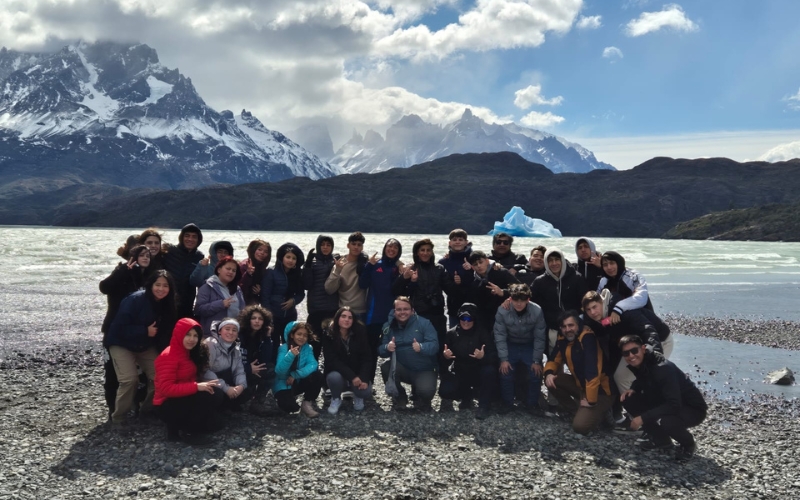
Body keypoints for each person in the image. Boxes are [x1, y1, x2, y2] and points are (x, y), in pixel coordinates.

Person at [618, 335, 707, 461]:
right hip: (666, 399)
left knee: (668, 422)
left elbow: (674, 404)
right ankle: (661, 440)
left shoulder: (663, 368)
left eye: (634, 351)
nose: (631, 356)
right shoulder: (644, 362)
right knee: (628, 398)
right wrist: (634, 388)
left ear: (643, 348)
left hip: (691, 408)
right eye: (626, 353)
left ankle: (688, 445)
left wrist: (642, 418)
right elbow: (643, 379)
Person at [106, 270, 177, 427]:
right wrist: (144, 330)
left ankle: (146, 410)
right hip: (121, 343)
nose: (161, 289)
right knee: (129, 380)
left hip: (145, 345)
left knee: (160, 377)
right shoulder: (135, 299)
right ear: (150, 285)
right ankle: (119, 418)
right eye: (157, 285)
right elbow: (117, 328)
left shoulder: (166, 303)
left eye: (165, 286)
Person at [99, 244, 151, 417]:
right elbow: (104, 287)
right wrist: (122, 272)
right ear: (133, 257)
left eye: (148, 256)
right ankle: (113, 409)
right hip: (114, 331)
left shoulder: (146, 278)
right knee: (113, 373)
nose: (145, 258)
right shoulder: (122, 272)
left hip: (136, 332)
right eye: (141, 255)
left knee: (138, 373)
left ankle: (135, 406)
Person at [153, 318, 224, 445]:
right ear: (179, 334)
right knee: (208, 396)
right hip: (166, 404)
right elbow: (166, 389)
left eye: (195, 336)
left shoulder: (188, 353)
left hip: (183, 397)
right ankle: (187, 432)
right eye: (188, 334)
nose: (192, 339)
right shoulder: (168, 356)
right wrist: (196, 387)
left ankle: (187, 424)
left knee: (217, 418)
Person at [544, 311, 613, 435]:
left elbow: (593, 372)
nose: (567, 329)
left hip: (601, 391)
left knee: (580, 427)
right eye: (564, 326)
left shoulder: (587, 338)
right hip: (581, 386)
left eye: (571, 325)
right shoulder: (562, 338)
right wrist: (548, 373)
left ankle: (601, 411)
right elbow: (554, 359)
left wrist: (591, 401)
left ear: (578, 325)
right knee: (552, 380)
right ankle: (576, 411)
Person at [392, 238, 449, 373]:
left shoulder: (439, 269)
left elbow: (451, 290)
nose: (425, 253)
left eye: (428, 250)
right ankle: (420, 377)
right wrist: (410, 281)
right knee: (419, 347)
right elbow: (399, 293)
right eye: (422, 250)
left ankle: (443, 375)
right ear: (417, 253)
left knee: (440, 345)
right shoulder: (411, 269)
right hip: (419, 315)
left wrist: (458, 281)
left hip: (437, 313)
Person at [378, 297, 439, 412]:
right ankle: (400, 396)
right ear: (394, 311)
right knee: (386, 367)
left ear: (412, 310)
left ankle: (423, 399)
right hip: (402, 368)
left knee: (426, 392)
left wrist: (421, 347)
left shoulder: (424, 323)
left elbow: (434, 346)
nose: (402, 312)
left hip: (424, 368)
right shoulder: (388, 326)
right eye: (399, 309)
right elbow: (381, 351)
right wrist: (387, 347)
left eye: (406, 309)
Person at [493, 284, 547, 414]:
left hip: (529, 344)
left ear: (528, 300)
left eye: (522, 300)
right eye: (516, 300)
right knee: (505, 371)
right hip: (510, 343)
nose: (519, 303)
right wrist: (504, 359)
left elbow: (540, 337)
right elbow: (499, 336)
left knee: (536, 371)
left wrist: (536, 360)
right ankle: (507, 403)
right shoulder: (502, 311)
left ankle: (532, 404)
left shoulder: (537, 311)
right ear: (510, 299)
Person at [439, 303, 498, 420]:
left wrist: (483, 357)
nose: (466, 321)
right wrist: (445, 357)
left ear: (474, 319)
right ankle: (466, 397)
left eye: (469, 318)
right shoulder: (451, 334)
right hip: (461, 370)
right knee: (445, 391)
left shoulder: (483, 333)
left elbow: (494, 357)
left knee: (489, 371)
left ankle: (483, 405)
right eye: (463, 318)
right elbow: (443, 365)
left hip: (479, 370)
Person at [358, 237, 403, 382]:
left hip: (393, 316)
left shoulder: (399, 268)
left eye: (395, 247)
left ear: (398, 251)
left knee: (395, 349)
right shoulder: (376, 264)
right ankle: (368, 381)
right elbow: (363, 284)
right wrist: (369, 266)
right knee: (370, 350)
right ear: (385, 248)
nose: (392, 249)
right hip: (373, 315)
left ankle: (394, 384)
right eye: (389, 246)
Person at [530, 247, 587, 354]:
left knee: (577, 360)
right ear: (546, 263)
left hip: (575, 328)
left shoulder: (576, 278)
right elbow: (528, 300)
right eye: (550, 260)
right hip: (553, 329)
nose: (554, 263)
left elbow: (585, 302)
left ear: (562, 260)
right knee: (554, 361)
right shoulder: (540, 282)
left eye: (557, 259)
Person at [321, 307, 372, 414]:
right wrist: (352, 377)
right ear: (337, 318)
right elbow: (332, 360)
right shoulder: (328, 334)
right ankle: (336, 398)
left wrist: (363, 377)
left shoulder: (360, 332)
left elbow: (366, 357)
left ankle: (358, 396)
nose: (346, 320)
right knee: (333, 377)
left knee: (365, 392)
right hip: (339, 373)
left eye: (350, 317)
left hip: (357, 372)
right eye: (343, 316)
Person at [261, 243, 306, 355]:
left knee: (290, 344)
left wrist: (293, 301)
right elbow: (265, 296)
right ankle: (272, 368)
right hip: (274, 315)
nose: (290, 260)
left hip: (290, 315)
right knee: (273, 343)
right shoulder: (271, 272)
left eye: (294, 258)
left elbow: (301, 294)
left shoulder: (297, 274)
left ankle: (288, 367)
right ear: (282, 257)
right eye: (288, 257)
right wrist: (268, 317)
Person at [273, 322, 323, 417]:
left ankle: (307, 403)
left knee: (317, 376)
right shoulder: (283, 348)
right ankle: (285, 398)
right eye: (299, 334)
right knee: (291, 407)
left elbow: (313, 364)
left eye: (305, 335)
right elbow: (279, 372)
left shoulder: (307, 348)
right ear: (292, 335)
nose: (302, 337)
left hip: (297, 380)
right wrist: (290, 355)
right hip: (283, 382)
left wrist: (296, 375)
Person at [303, 235, 340, 360]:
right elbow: (306, 284)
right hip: (315, 308)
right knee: (314, 343)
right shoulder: (312, 261)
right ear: (318, 246)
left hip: (332, 308)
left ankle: (329, 373)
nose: (325, 247)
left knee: (331, 345)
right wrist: (307, 266)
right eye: (322, 244)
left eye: (328, 245)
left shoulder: (336, 260)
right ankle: (311, 372)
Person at [236, 305, 277, 416]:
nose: (257, 321)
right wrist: (248, 369)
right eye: (254, 318)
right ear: (248, 319)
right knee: (245, 394)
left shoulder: (261, 336)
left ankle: (257, 403)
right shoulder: (238, 335)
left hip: (252, 370)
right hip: (236, 374)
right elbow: (231, 363)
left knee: (270, 369)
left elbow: (266, 359)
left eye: (260, 319)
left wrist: (268, 337)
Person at [203, 318, 249, 410]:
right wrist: (226, 388)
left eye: (234, 330)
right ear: (220, 331)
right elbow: (204, 370)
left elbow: (239, 371)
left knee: (246, 391)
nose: (230, 332)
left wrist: (241, 386)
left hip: (226, 380)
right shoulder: (210, 344)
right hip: (210, 382)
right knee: (217, 395)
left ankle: (226, 406)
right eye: (227, 329)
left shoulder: (236, 349)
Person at [465, 251, 520, 328]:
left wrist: (503, 292)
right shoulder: (475, 282)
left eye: (481, 262)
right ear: (472, 267)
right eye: (475, 264)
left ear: (487, 261)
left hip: (508, 319)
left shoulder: (501, 272)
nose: (479, 266)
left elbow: (521, 289)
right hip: (486, 323)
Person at [194, 257, 246, 336]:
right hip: (212, 335)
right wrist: (221, 304)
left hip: (233, 335)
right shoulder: (207, 287)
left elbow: (243, 311)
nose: (231, 272)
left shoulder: (237, 289)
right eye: (228, 269)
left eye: (234, 270)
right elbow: (199, 310)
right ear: (219, 270)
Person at [162, 223, 205, 319]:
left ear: (199, 240)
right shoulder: (169, 251)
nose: (190, 239)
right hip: (167, 300)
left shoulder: (199, 257)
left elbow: (200, 280)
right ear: (181, 237)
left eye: (194, 237)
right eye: (187, 236)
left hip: (188, 302)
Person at [597, 251, 653, 321]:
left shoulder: (633, 276)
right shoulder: (603, 280)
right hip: (616, 318)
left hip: (641, 316)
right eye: (605, 265)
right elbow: (597, 300)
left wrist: (619, 308)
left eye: (612, 263)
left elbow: (642, 297)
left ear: (619, 263)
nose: (609, 267)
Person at [325, 231, 368, 319]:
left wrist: (399, 264)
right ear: (348, 245)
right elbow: (329, 289)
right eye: (353, 244)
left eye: (359, 245)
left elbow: (385, 260)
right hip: (344, 311)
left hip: (362, 312)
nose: (356, 247)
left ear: (362, 247)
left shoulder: (366, 263)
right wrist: (337, 270)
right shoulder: (340, 263)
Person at [438, 229, 474, 327]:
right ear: (450, 243)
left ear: (466, 242)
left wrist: (472, 269)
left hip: (474, 304)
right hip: (454, 306)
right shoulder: (443, 262)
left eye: (460, 239)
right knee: (454, 336)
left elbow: (483, 274)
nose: (457, 242)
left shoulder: (474, 258)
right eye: (454, 240)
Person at [239, 239, 272, 305]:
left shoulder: (262, 268)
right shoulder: (244, 265)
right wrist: (248, 274)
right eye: (259, 249)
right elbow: (239, 287)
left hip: (254, 301)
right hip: (241, 301)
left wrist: (260, 292)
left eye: (265, 251)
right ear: (253, 250)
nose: (262, 253)